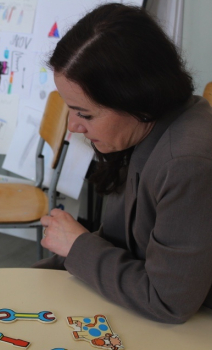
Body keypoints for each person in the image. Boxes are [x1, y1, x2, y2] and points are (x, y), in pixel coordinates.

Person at [35, 3, 212, 323]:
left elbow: (169, 300)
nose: (73, 126)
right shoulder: (143, 129)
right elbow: (120, 242)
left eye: (85, 113)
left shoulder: (187, 163)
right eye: (70, 109)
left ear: (136, 98)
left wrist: (76, 245)